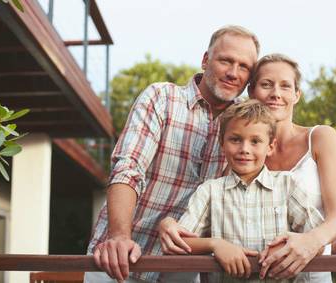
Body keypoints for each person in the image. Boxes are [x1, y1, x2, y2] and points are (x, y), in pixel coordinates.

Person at [160, 53, 336, 280]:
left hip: (308, 270)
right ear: (252, 92)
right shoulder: (236, 161)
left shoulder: (320, 137)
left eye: (285, 86)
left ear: (297, 95)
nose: (276, 93)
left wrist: (320, 243)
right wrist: (169, 224)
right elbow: (226, 220)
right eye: (266, 84)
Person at [84, 25, 259, 283]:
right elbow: (128, 167)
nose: (234, 73)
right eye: (226, 61)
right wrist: (119, 236)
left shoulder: (244, 125)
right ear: (205, 60)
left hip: (182, 271)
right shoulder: (162, 98)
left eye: (244, 67)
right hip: (121, 260)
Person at [159, 99, 325, 282]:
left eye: (255, 141)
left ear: (270, 146)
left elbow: (316, 241)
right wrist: (216, 245)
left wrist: (289, 246)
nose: (244, 149)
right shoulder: (210, 191)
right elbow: (182, 241)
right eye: (235, 139)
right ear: (222, 143)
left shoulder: (288, 185)